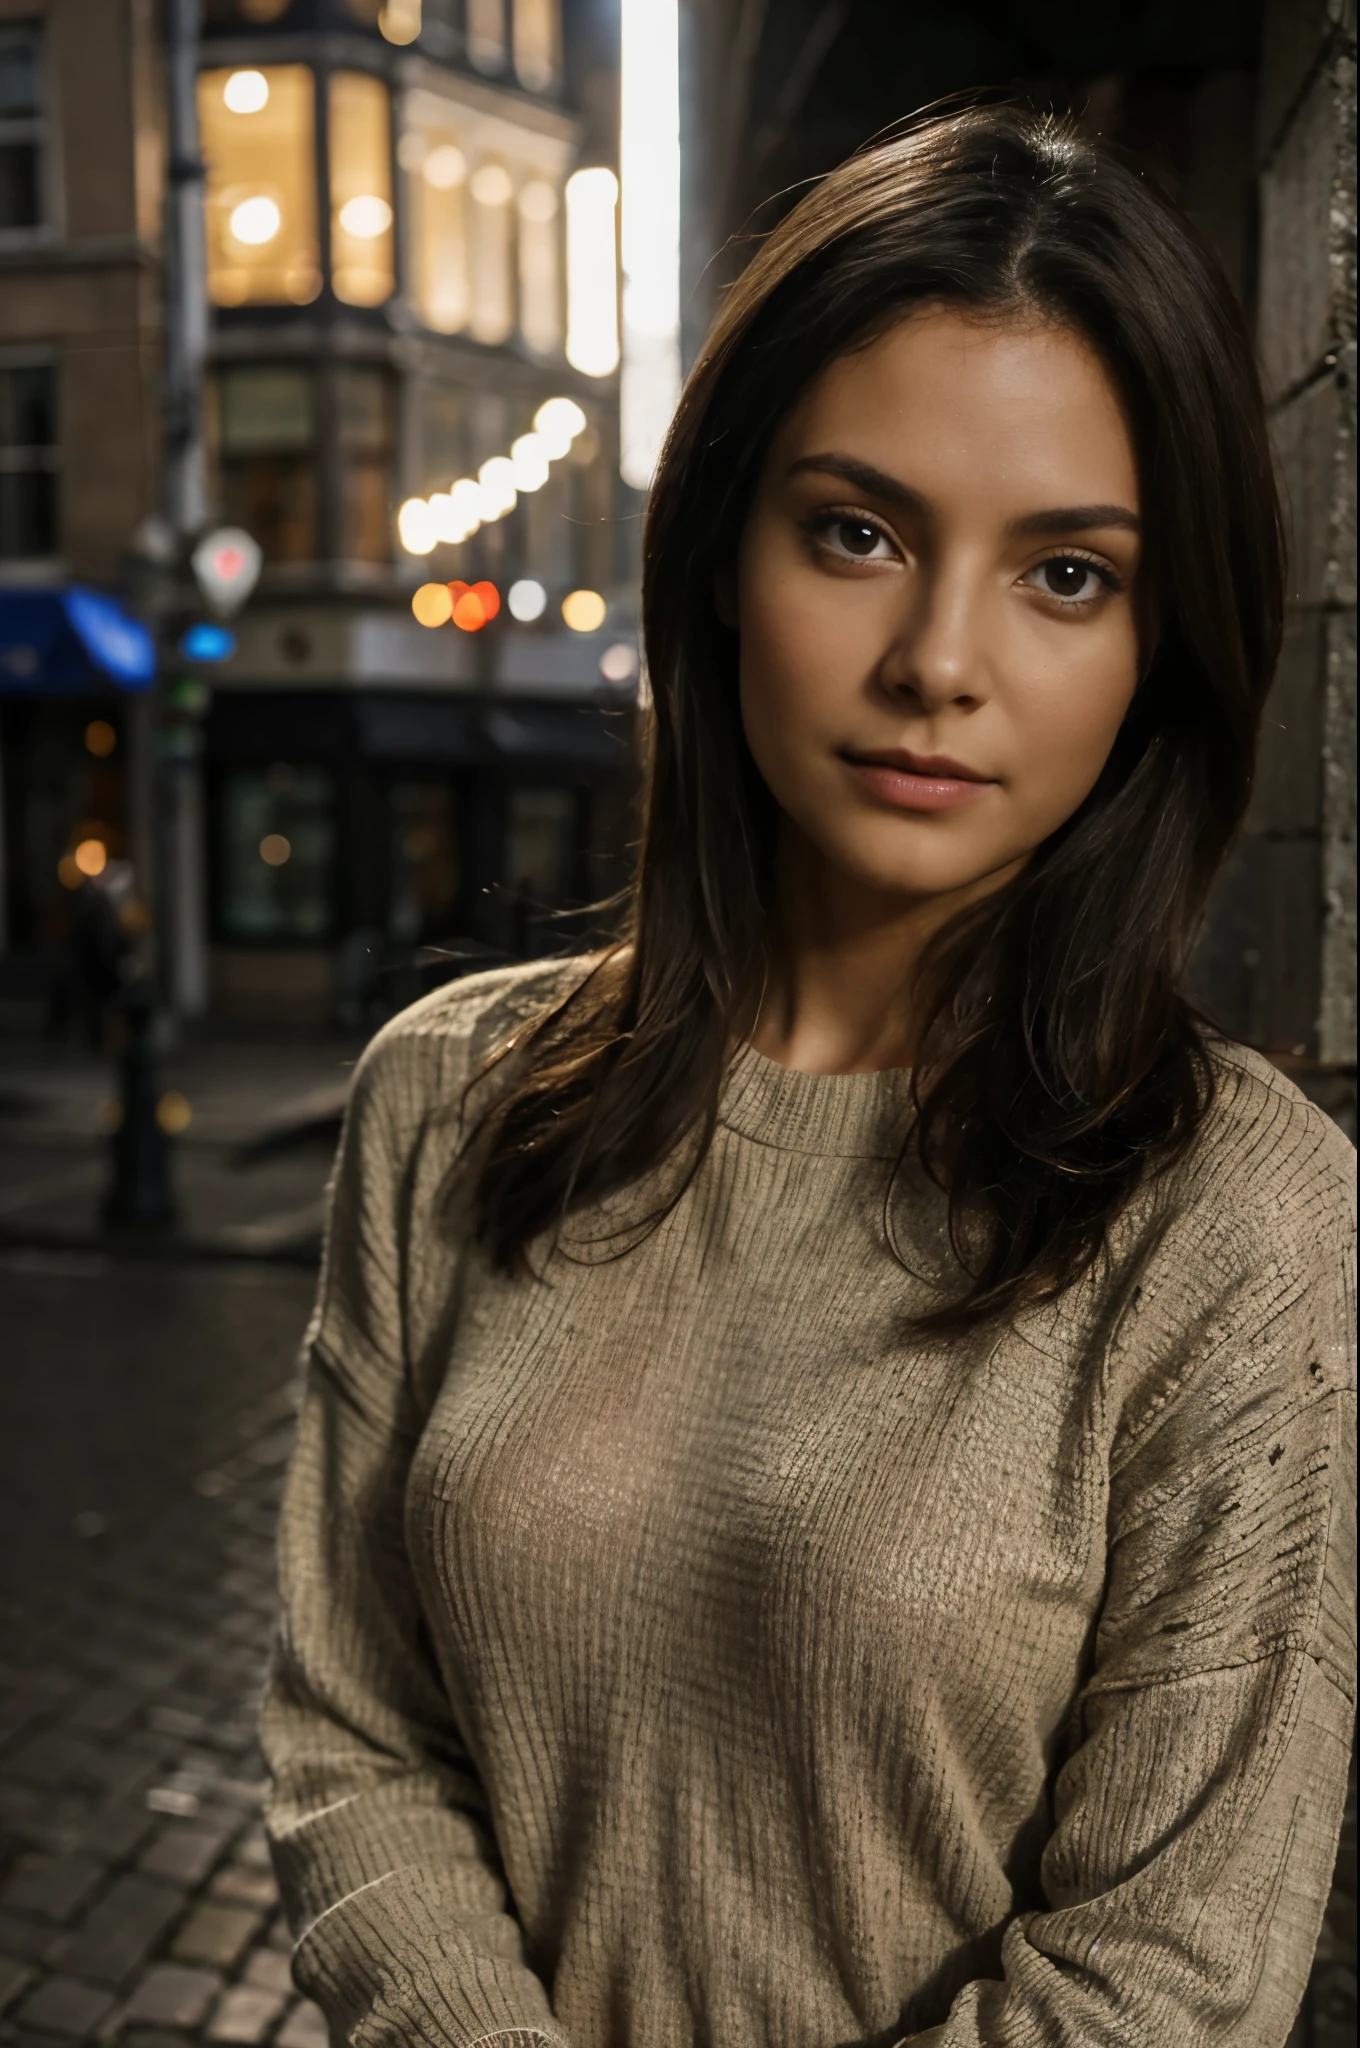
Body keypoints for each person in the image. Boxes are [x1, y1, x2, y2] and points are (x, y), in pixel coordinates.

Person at [261, 104, 1356, 2047]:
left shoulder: (1229, 1209)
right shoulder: (444, 1101)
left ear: (1157, 647)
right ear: (715, 556)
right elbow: (354, 1738)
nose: (935, 657)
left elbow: (1160, 1980)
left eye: (1063, 575)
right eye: (853, 532)